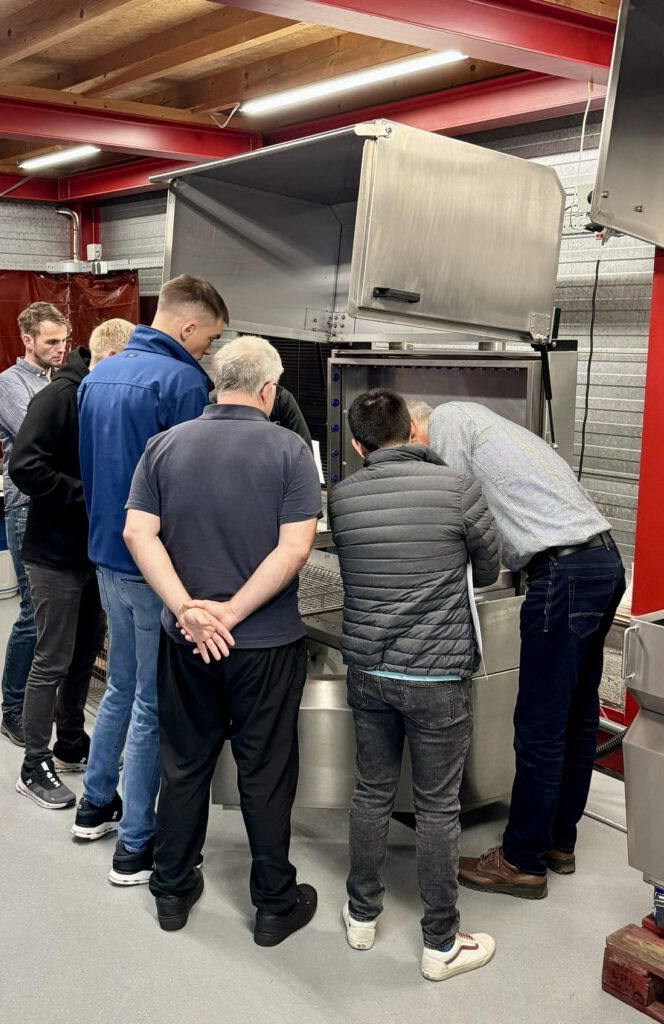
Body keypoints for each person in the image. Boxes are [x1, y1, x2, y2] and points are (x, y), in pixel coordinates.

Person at [123, 336, 321, 945]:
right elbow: (295, 548)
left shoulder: (166, 445)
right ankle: (272, 905)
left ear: (217, 383)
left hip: (186, 644)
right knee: (265, 773)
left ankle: (172, 892)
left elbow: (137, 533)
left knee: (183, 767)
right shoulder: (289, 451)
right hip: (264, 646)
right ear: (269, 390)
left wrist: (188, 611)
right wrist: (231, 614)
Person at [408, 400, 626, 898]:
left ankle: (521, 861)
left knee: (540, 726)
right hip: (602, 562)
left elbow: (453, 501)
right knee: (575, 716)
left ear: (416, 426)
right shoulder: (496, 428)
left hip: (563, 573)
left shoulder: (447, 422)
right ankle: (557, 842)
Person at [328, 389, 500, 982]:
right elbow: (493, 564)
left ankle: (360, 913)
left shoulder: (343, 497)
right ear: (413, 431)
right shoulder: (457, 489)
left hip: (370, 673)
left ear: (358, 445)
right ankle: (441, 943)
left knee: (371, 793)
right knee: (436, 809)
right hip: (437, 675)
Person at [74, 276, 228, 883]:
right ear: (187, 328)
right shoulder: (184, 383)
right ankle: (136, 843)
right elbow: (191, 487)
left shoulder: (98, 375)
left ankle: (94, 805)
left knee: (119, 686)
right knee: (150, 703)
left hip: (106, 556)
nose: (210, 352)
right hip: (155, 565)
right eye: (210, 340)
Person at [9, 321, 133, 810]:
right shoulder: (59, 397)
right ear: (106, 356)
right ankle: (33, 763)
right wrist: (87, 498)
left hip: (91, 553)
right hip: (54, 555)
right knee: (52, 658)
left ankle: (70, 740)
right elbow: (25, 466)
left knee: (84, 655)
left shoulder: (101, 396)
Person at [0, 303, 69, 747]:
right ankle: (13, 710)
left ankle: (48, 706)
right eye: (50, 342)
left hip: (60, 507)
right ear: (27, 341)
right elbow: (41, 442)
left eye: (63, 340)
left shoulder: (60, 381)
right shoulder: (10, 384)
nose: (60, 350)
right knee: (32, 616)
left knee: (62, 618)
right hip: (27, 507)